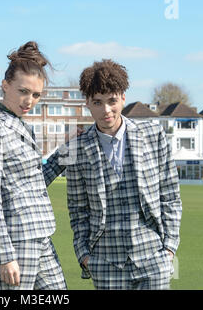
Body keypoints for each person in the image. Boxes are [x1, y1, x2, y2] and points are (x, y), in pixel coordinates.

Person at [65, 59, 182, 289]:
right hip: (105, 264)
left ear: (123, 97)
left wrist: (169, 248)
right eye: (98, 102)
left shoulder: (153, 135)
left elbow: (170, 196)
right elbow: (78, 211)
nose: (106, 110)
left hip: (153, 258)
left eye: (112, 101)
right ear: (87, 102)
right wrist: (85, 257)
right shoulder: (76, 149)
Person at [0, 41, 67, 290]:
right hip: (16, 242)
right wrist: (5, 255)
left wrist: (63, 156)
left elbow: (32, 183)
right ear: (5, 85)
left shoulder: (23, 126)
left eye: (36, 95)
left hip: (42, 235)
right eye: (23, 91)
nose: (29, 101)